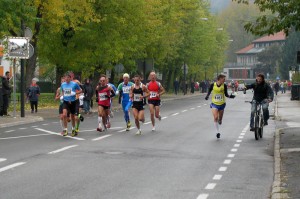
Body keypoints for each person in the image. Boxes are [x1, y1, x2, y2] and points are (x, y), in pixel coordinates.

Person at [205, 74, 235, 139]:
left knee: (220, 120)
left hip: (222, 104)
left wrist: (231, 96)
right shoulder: (213, 85)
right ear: (220, 78)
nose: (225, 80)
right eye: (224, 79)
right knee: (215, 117)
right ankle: (217, 132)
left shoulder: (224, 85)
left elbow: (226, 94)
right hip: (214, 103)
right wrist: (207, 96)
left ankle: (220, 120)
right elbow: (209, 91)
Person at [60, 72, 82, 137]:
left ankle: (73, 129)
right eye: (65, 77)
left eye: (67, 77)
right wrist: (62, 96)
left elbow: (80, 90)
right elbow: (63, 92)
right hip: (66, 101)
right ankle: (65, 130)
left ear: (70, 78)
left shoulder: (74, 84)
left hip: (73, 102)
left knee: (73, 117)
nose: (66, 79)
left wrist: (75, 93)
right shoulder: (63, 84)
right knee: (64, 115)